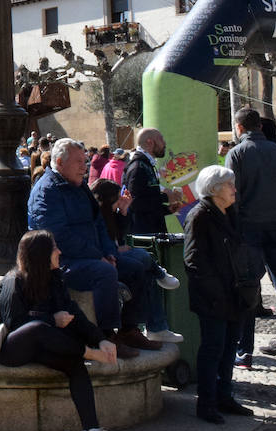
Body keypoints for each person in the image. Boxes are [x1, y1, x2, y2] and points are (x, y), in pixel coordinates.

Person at [28, 138, 171, 359]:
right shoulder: (47, 191)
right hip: (63, 262)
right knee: (104, 273)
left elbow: (99, 224)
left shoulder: (80, 186)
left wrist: (109, 253)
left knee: (135, 267)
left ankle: (129, 329)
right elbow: (58, 237)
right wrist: (99, 257)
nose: (84, 167)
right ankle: (106, 335)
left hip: (92, 255)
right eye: (78, 162)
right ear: (59, 162)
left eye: (84, 161)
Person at [0, 229, 115, 431]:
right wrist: (52, 319)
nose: (59, 252)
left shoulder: (54, 279)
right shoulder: (12, 281)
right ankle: (87, 352)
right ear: (41, 254)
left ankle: (91, 429)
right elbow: (14, 322)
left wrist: (101, 339)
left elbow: (73, 314)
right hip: (10, 348)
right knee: (38, 328)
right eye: (54, 248)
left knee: (74, 363)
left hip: (43, 345)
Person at [228, 109, 276, 370]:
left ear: (239, 127)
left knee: (248, 289)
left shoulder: (237, 154)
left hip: (249, 229)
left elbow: (232, 197)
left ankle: (244, 352)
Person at [184, 165, 255, 424]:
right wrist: (215, 291)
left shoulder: (230, 212)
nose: (234, 189)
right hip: (213, 298)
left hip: (234, 294)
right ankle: (207, 402)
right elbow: (193, 261)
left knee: (228, 349)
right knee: (212, 350)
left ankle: (225, 396)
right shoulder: (199, 216)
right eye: (229, 185)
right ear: (214, 190)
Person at [124, 128, 178, 235]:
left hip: (152, 231)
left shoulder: (146, 164)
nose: (164, 143)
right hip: (145, 235)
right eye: (161, 139)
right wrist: (166, 197)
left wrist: (167, 209)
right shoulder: (138, 167)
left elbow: (147, 199)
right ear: (150, 142)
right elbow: (135, 203)